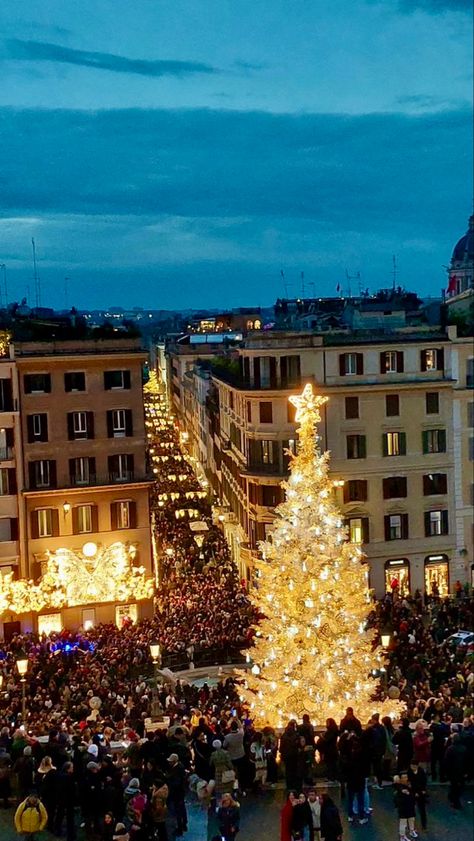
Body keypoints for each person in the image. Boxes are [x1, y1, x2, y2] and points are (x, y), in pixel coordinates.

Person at [166, 753, 187, 837]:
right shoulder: (180, 767)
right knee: (182, 808)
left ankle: (180, 828)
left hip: (177, 793)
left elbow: (177, 782)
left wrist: (169, 782)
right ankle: (184, 824)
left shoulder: (178, 769)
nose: (169, 763)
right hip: (180, 792)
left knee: (178, 810)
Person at [444, 733, 467, 810]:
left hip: (453, 772)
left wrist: (447, 773)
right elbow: (468, 761)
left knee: (454, 786)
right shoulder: (464, 749)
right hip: (461, 772)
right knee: (459, 787)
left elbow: (447, 762)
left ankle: (454, 801)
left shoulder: (450, 749)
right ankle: (454, 799)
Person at [393, 773, 417, 841]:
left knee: (411, 819)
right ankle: (402, 836)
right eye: (403, 777)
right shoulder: (399, 787)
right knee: (403, 822)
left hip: (410, 806)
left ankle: (412, 831)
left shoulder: (410, 785)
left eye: (406, 777)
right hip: (403, 807)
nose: (405, 779)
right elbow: (396, 785)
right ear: (400, 779)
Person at [407, 761, 427, 831]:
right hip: (413, 792)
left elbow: (424, 782)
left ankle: (424, 825)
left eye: (414, 766)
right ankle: (411, 827)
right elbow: (409, 783)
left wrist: (421, 791)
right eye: (411, 766)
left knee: (422, 810)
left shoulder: (421, 772)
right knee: (411, 810)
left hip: (420, 792)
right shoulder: (409, 772)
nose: (412, 768)